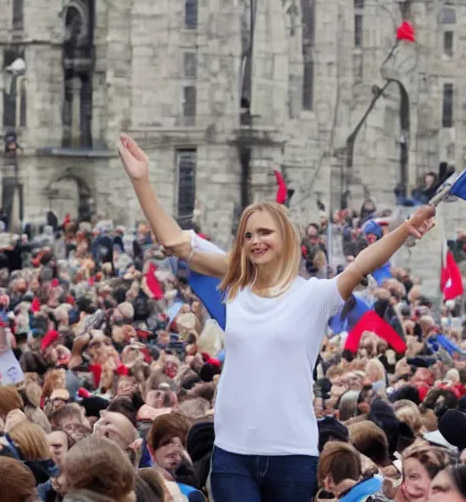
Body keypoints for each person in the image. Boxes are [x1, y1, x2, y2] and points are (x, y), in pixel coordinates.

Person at [115, 133, 436, 501]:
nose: (255, 241)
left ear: (284, 236)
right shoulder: (234, 285)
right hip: (233, 452)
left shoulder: (314, 296)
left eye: (264, 232)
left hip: (293, 454)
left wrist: (404, 230)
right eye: (248, 235)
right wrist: (141, 179)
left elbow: (363, 261)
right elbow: (174, 242)